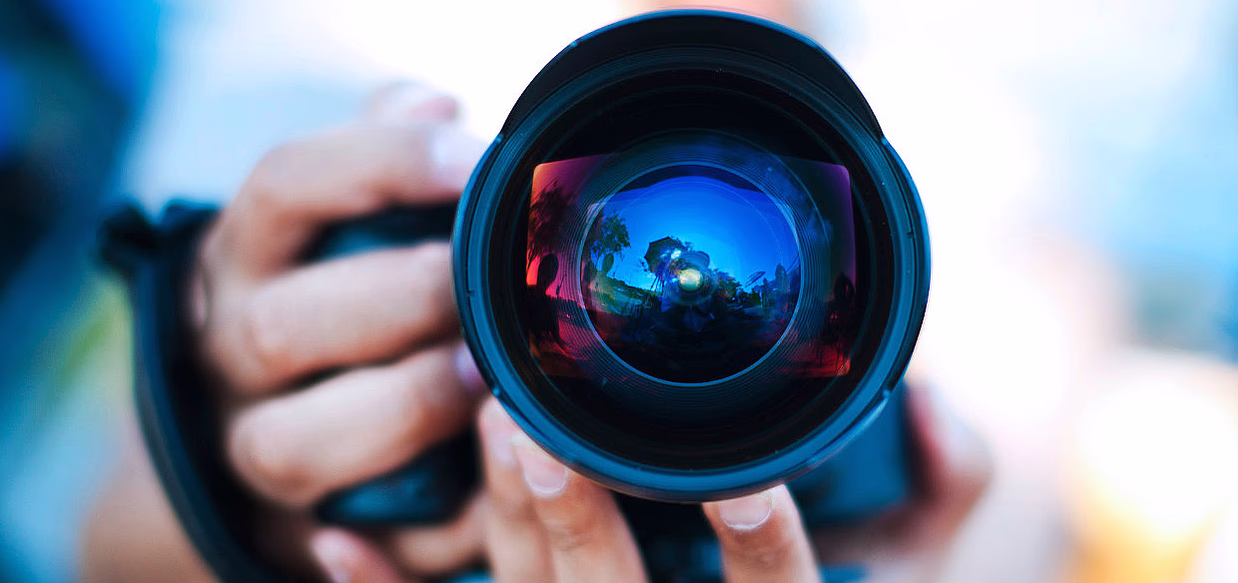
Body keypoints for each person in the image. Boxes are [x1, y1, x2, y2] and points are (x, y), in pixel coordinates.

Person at [80, 70, 990, 583]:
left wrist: (918, 555)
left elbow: (1018, 507)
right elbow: (99, 540)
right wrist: (239, 495)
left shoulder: (981, 133)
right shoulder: (311, 65)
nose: (687, 280)